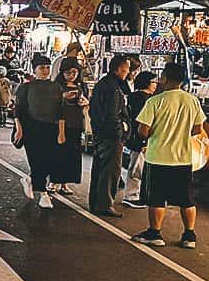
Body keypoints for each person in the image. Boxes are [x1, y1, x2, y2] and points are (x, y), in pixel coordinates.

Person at [131, 63, 205, 249]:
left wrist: (157, 132)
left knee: (156, 198)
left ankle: (154, 233)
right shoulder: (192, 101)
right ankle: (189, 235)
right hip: (183, 158)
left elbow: (143, 131)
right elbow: (198, 129)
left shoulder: (155, 101)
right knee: (186, 199)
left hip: (158, 158)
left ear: (164, 78)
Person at [13, 55, 65, 209]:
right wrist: (19, 129)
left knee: (49, 161)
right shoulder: (26, 87)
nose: (45, 70)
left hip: (51, 128)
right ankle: (43, 194)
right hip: (31, 128)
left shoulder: (56, 87)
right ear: (34, 69)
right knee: (36, 160)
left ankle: (29, 180)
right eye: (42, 67)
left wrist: (61, 132)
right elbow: (18, 111)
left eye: (48, 67)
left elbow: (61, 111)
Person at [88, 55, 132, 217]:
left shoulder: (104, 84)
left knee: (100, 168)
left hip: (100, 133)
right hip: (110, 136)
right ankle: (105, 204)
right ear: (120, 69)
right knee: (110, 170)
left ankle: (96, 202)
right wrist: (118, 133)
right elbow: (112, 114)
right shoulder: (112, 88)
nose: (127, 73)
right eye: (126, 70)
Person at [51, 56, 88, 195]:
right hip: (60, 124)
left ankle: (65, 183)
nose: (71, 75)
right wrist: (63, 97)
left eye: (74, 72)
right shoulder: (56, 86)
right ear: (62, 72)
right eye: (68, 72)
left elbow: (87, 103)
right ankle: (54, 181)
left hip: (76, 124)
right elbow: (51, 104)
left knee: (71, 155)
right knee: (58, 153)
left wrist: (85, 103)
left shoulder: (82, 86)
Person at [123, 71, 158, 208]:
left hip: (136, 137)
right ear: (147, 83)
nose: (155, 85)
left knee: (138, 167)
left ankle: (137, 194)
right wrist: (143, 140)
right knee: (137, 168)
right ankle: (131, 196)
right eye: (154, 82)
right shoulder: (143, 99)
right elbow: (141, 122)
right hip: (140, 138)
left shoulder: (135, 97)